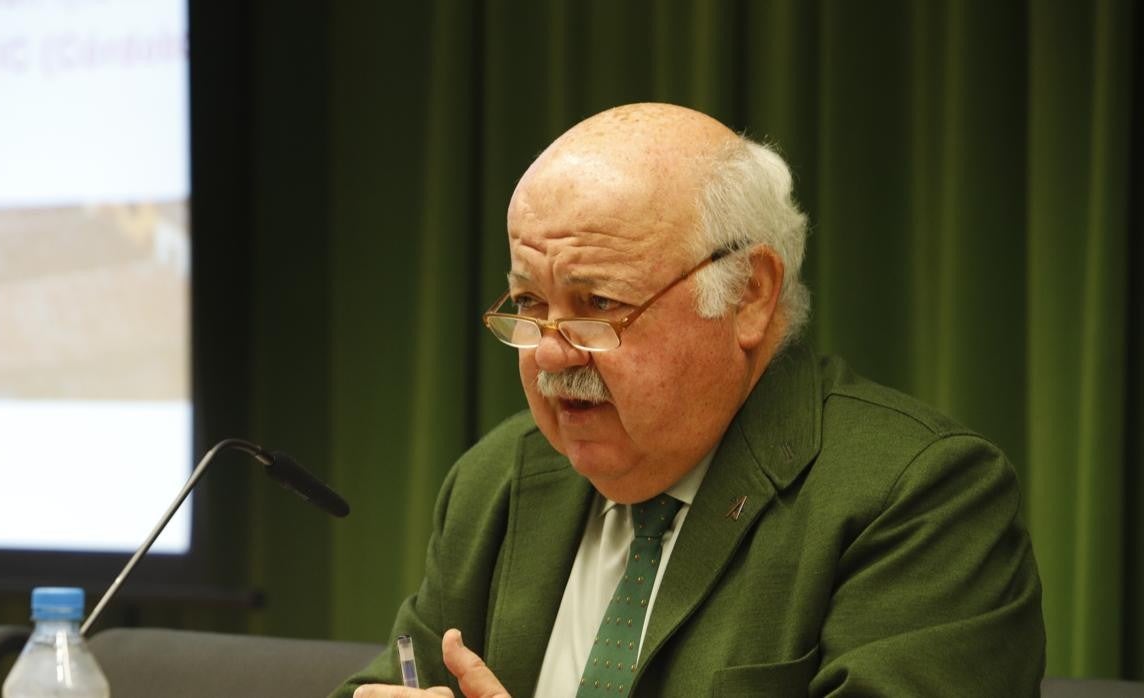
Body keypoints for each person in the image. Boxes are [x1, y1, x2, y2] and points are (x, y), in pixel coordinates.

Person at [338, 103, 1044, 697]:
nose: (550, 353)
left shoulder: (920, 498)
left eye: (599, 304)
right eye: (528, 302)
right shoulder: (497, 478)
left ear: (748, 294)